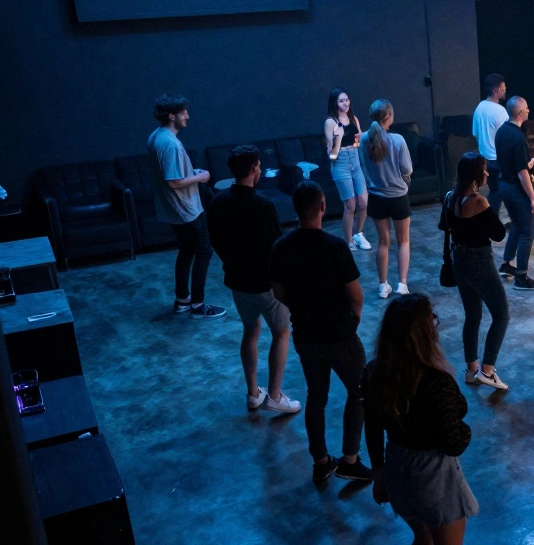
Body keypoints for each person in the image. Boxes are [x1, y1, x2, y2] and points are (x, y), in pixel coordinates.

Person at [364, 294, 476, 545]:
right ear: (425, 333)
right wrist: (467, 426)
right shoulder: (435, 380)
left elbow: (371, 426)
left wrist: (379, 472)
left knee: (422, 541)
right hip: (434, 479)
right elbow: (454, 442)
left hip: (397, 468)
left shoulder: (375, 371)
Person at [270, 181, 372, 483]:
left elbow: (278, 291)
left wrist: (301, 307)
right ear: (323, 207)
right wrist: (352, 320)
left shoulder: (281, 247)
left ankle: (321, 460)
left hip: (305, 333)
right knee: (359, 392)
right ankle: (350, 460)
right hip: (339, 334)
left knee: (317, 395)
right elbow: (356, 296)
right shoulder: (335, 247)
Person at [207, 145, 301, 415]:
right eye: (258, 166)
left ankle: (253, 393)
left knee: (250, 330)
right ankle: (274, 395)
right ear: (252, 169)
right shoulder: (262, 205)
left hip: (237, 281)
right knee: (281, 332)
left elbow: (216, 240)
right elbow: (276, 246)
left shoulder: (218, 201)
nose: (260, 170)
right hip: (265, 284)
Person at [147, 94, 226, 320]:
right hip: (186, 209)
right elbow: (173, 182)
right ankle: (198, 305)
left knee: (187, 251)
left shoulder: (156, 136)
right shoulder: (170, 143)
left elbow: (172, 175)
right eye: (183, 112)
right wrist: (201, 178)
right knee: (204, 251)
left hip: (173, 209)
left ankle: (182, 300)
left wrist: (192, 173)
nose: (187, 116)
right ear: (172, 115)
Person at [441, 153, 510, 392]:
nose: (488, 174)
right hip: (480, 262)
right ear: (475, 175)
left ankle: (471, 370)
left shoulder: (450, 197)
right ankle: (487, 371)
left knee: (473, 316)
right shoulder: (479, 201)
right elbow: (499, 234)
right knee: (501, 315)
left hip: (459, 261)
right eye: (484, 170)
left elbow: (446, 226)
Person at [359, 99, 413, 298]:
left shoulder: (364, 139)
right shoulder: (397, 140)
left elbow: (363, 167)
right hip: (398, 197)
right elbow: (407, 169)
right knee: (403, 241)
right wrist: (404, 181)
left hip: (377, 198)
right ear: (388, 117)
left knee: (383, 241)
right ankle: (402, 284)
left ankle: (383, 285)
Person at [494, 96, 534, 290]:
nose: (529, 111)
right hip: (517, 190)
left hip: (504, 186)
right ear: (520, 113)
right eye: (527, 108)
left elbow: (514, 163)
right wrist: (533, 199)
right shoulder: (518, 137)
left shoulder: (502, 132)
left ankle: (506, 264)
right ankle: (521, 277)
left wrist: (528, 163)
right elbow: (522, 174)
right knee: (526, 233)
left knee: (516, 225)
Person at [324, 88, 370, 251]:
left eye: (347, 99)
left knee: (363, 202)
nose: (345, 103)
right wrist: (339, 139)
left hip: (355, 161)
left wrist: (357, 141)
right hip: (340, 164)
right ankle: (349, 240)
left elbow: (358, 143)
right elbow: (332, 155)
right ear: (335, 103)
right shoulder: (330, 122)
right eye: (341, 100)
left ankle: (359, 233)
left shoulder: (353, 119)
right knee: (350, 205)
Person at [472, 73, 508, 218]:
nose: (505, 90)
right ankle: (492, 221)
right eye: (503, 87)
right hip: (498, 159)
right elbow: (507, 137)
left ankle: (491, 221)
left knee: (495, 192)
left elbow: (475, 133)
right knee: (502, 192)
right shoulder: (500, 111)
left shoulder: (479, 108)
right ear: (496, 90)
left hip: (485, 159)